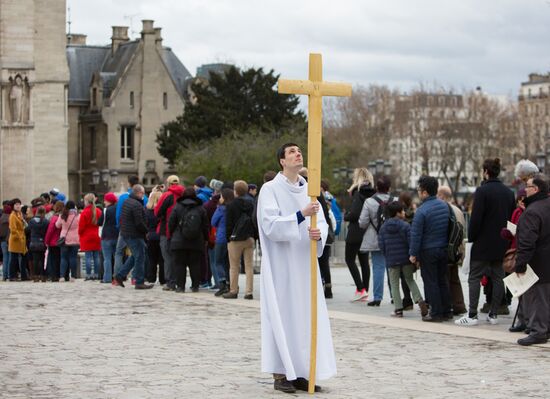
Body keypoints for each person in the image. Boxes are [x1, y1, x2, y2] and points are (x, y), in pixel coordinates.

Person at [258, 143, 333, 394]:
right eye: (291, 152)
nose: (297, 154)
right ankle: (281, 373)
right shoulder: (270, 189)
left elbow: (322, 222)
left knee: (304, 316)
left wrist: (318, 233)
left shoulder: (309, 191)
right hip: (282, 265)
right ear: (281, 160)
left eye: (299, 151)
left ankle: (301, 371)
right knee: (283, 314)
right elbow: (270, 226)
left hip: (304, 263)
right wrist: (300, 215)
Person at [456, 158, 515, 326]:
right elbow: (511, 220)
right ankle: (494, 314)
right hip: (501, 243)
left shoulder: (482, 191)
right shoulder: (508, 192)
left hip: (482, 243)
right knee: (498, 278)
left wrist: (472, 238)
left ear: (486, 172)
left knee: (474, 277)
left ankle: (473, 314)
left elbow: (475, 220)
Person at [513, 174, 550, 345]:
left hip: (539, 262)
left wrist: (520, 265)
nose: (524, 189)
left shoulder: (532, 211)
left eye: (527, 186)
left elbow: (527, 242)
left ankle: (539, 332)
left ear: (535, 189)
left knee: (539, 297)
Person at [409, 176, 451, 322]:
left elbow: (416, 235)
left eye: (419, 190)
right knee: (442, 280)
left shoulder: (421, 211)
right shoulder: (444, 206)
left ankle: (436, 313)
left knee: (430, 281)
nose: (418, 193)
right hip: (443, 248)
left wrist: (413, 254)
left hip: (428, 250)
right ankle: (447, 310)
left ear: (425, 192)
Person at [378, 201, 428, 318]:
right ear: (398, 213)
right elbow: (411, 242)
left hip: (392, 260)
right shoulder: (405, 226)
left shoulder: (383, 227)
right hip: (406, 259)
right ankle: (420, 302)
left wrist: (387, 255)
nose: (404, 212)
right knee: (410, 280)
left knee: (394, 284)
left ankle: (398, 309)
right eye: (402, 211)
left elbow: (381, 245)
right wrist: (414, 256)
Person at [359, 175, 393, 306]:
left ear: (376, 188)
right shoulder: (394, 200)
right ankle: (394, 296)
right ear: (389, 188)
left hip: (375, 238)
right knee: (392, 268)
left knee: (378, 267)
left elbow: (362, 222)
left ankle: (377, 297)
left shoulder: (369, 201)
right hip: (392, 239)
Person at [168, 188, 209, 292]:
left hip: (178, 241)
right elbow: (205, 226)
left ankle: (180, 287)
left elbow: (171, 222)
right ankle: (195, 286)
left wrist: (172, 234)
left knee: (179, 264)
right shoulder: (200, 208)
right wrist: (206, 238)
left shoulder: (177, 207)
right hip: (196, 241)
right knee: (195, 264)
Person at [344, 168, 375, 302]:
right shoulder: (371, 193)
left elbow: (355, 214)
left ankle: (360, 288)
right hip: (366, 231)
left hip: (355, 231)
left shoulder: (358, 193)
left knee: (349, 259)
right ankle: (364, 291)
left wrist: (347, 216)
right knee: (364, 262)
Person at [113, 185, 153, 290]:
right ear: (138, 193)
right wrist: (146, 231)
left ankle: (120, 275)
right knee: (140, 257)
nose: (143, 196)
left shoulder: (127, 201)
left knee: (137, 254)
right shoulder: (136, 205)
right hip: (134, 234)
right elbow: (139, 222)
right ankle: (139, 281)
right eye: (143, 193)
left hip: (126, 233)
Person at [223, 180, 256, 300]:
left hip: (235, 238)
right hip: (249, 237)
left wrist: (228, 238)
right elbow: (255, 220)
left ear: (235, 191)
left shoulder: (231, 205)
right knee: (249, 265)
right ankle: (249, 292)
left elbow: (228, 223)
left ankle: (233, 290)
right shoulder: (251, 203)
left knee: (234, 266)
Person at [437, 186, 467, 315]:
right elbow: (463, 232)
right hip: (456, 249)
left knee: (444, 278)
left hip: (445, 249)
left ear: (442, 196)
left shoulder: (442, 210)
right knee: (455, 278)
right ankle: (459, 305)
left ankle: (447, 305)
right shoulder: (458, 211)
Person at [155, 176, 184, 291]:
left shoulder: (167, 195)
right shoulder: (184, 194)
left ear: (168, 184)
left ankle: (170, 282)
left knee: (167, 257)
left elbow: (157, 211)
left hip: (166, 229)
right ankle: (179, 281)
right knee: (178, 257)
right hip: (181, 230)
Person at [211, 188, 233, 296]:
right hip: (230, 238)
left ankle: (222, 283)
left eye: (221, 197)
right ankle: (229, 283)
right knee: (227, 262)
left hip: (220, 237)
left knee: (218, 261)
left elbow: (213, 222)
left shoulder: (220, 209)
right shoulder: (232, 208)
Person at [79, 193, 102, 280]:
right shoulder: (98, 211)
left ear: (87, 201)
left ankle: (88, 275)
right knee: (96, 257)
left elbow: (81, 227)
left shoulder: (84, 212)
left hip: (86, 236)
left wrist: (80, 235)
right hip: (97, 236)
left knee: (88, 257)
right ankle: (96, 274)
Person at [56, 201, 80, 281]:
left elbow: (57, 225)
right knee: (73, 258)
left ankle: (62, 276)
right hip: (75, 239)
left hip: (64, 239)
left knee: (63, 258)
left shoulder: (62, 215)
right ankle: (73, 276)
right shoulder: (78, 216)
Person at [98, 192, 119, 284]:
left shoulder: (106, 210)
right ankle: (118, 277)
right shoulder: (118, 209)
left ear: (108, 201)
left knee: (107, 258)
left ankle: (107, 278)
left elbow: (99, 222)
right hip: (117, 235)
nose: (104, 202)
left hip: (106, 236)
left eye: (105, 200)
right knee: (117, 257)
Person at [145, 190, 164, 284]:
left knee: (151, 258)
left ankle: (151, 277)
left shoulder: (147, 211)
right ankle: (162, 279)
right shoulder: (161, 211)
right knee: (162, 259)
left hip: (151, 236)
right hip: (161, 235)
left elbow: (145, 224)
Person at [8, 199, 28, 281]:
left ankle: (24, 276)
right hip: (16, 240)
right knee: (14, 258)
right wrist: (20, 238)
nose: (18, 206)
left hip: (22, 239)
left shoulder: (19, 214)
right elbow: (13, 229)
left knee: (23, 257)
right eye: (16, 204)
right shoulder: (12, 215)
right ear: (13, 206)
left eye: (19, 204)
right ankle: (12, 276)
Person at [28, 206, 49, 282]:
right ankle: (43, 276)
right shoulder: (46, 221)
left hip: (33, 243)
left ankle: (36, 276)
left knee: (35, 260)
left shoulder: (31, 221)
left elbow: (27, 230)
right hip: (42, 243)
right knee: (42, 260)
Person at [44, 201, 64, 281]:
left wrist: (46, 241)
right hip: (62, 241)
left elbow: (50, 230)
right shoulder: (64, 216)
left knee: (53, 260)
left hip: (53, 242)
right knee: (60, 259)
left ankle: (53, 276)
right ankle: (60, 274)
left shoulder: (55, 217)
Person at [1, 202, 11, 281]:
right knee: (10, 257)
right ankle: (9, 274)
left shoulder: (1, 218)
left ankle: (4, 275)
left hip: (2, 240)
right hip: (9, 239)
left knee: (5, 257)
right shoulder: (10, 218)